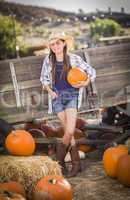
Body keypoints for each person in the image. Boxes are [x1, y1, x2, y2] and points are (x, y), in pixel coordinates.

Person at [40, 32, 96, 177]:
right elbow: (43, 80)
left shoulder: (74, 58)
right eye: (52, 44)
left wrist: (86, 82)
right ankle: (76, 164)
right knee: (68, 133)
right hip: (57, 97)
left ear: (64, 43)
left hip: (71, 96)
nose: (55, 46)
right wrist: (50, 92)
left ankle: (59, 162)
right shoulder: (48, 60)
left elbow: (91, 72)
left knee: (70, 131)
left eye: (58, 43)